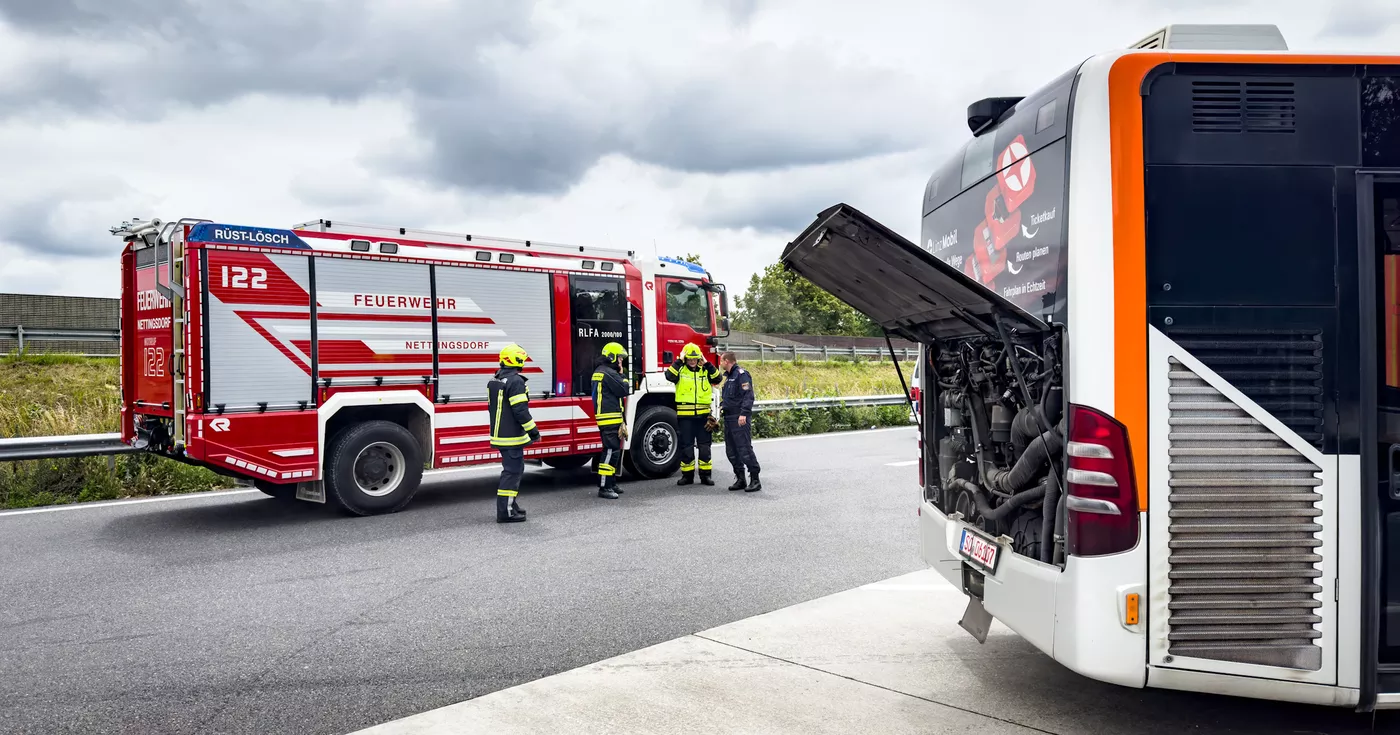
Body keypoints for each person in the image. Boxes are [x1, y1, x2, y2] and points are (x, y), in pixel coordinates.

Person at [488, 343, 540, 522]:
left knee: (513, 471)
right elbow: (520, 411)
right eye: (522, 359)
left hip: (500, 435)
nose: (523, 363)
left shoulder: (495, 380)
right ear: (516, 360)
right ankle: (506, 512)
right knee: (512, 472)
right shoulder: (516, 381)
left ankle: (511, 505)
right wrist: (533, 430)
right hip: (511, 437)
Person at [665, 342, 723, 485]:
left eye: (695, 359)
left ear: (699, 358)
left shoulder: (705, 371)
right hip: (686, 418)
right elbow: (668, 376)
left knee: (704, 447)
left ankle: (705, 476)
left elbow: (718, 378)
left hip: (703, 417)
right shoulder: (680, 371)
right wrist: (679, 360)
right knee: (687, 447)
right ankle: (687, 476)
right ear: (685, 359)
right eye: (689, 359)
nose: (692, 361)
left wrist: (708, 364)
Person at [592, 341, 632, 500]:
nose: (621, 361)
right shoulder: (609, 373)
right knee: (610, 452)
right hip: (609, 419)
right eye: (620, 358)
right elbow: (624, 389)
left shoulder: (602, 371)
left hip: (609, 418)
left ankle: (611, 482)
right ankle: (605, 487)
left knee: (613, 452)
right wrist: (623, 375)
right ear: (612, 356)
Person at [719, 351, 761, 492]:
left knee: (744, 449)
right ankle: (740, 478)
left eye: (721, 361)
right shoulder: (729, 377)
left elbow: (748, 395)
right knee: (731, 450)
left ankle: (755, 479)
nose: (720, 363)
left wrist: (744, 413)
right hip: (729, 418)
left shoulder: (741, 375)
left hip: (739, 418)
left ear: (727, 361)